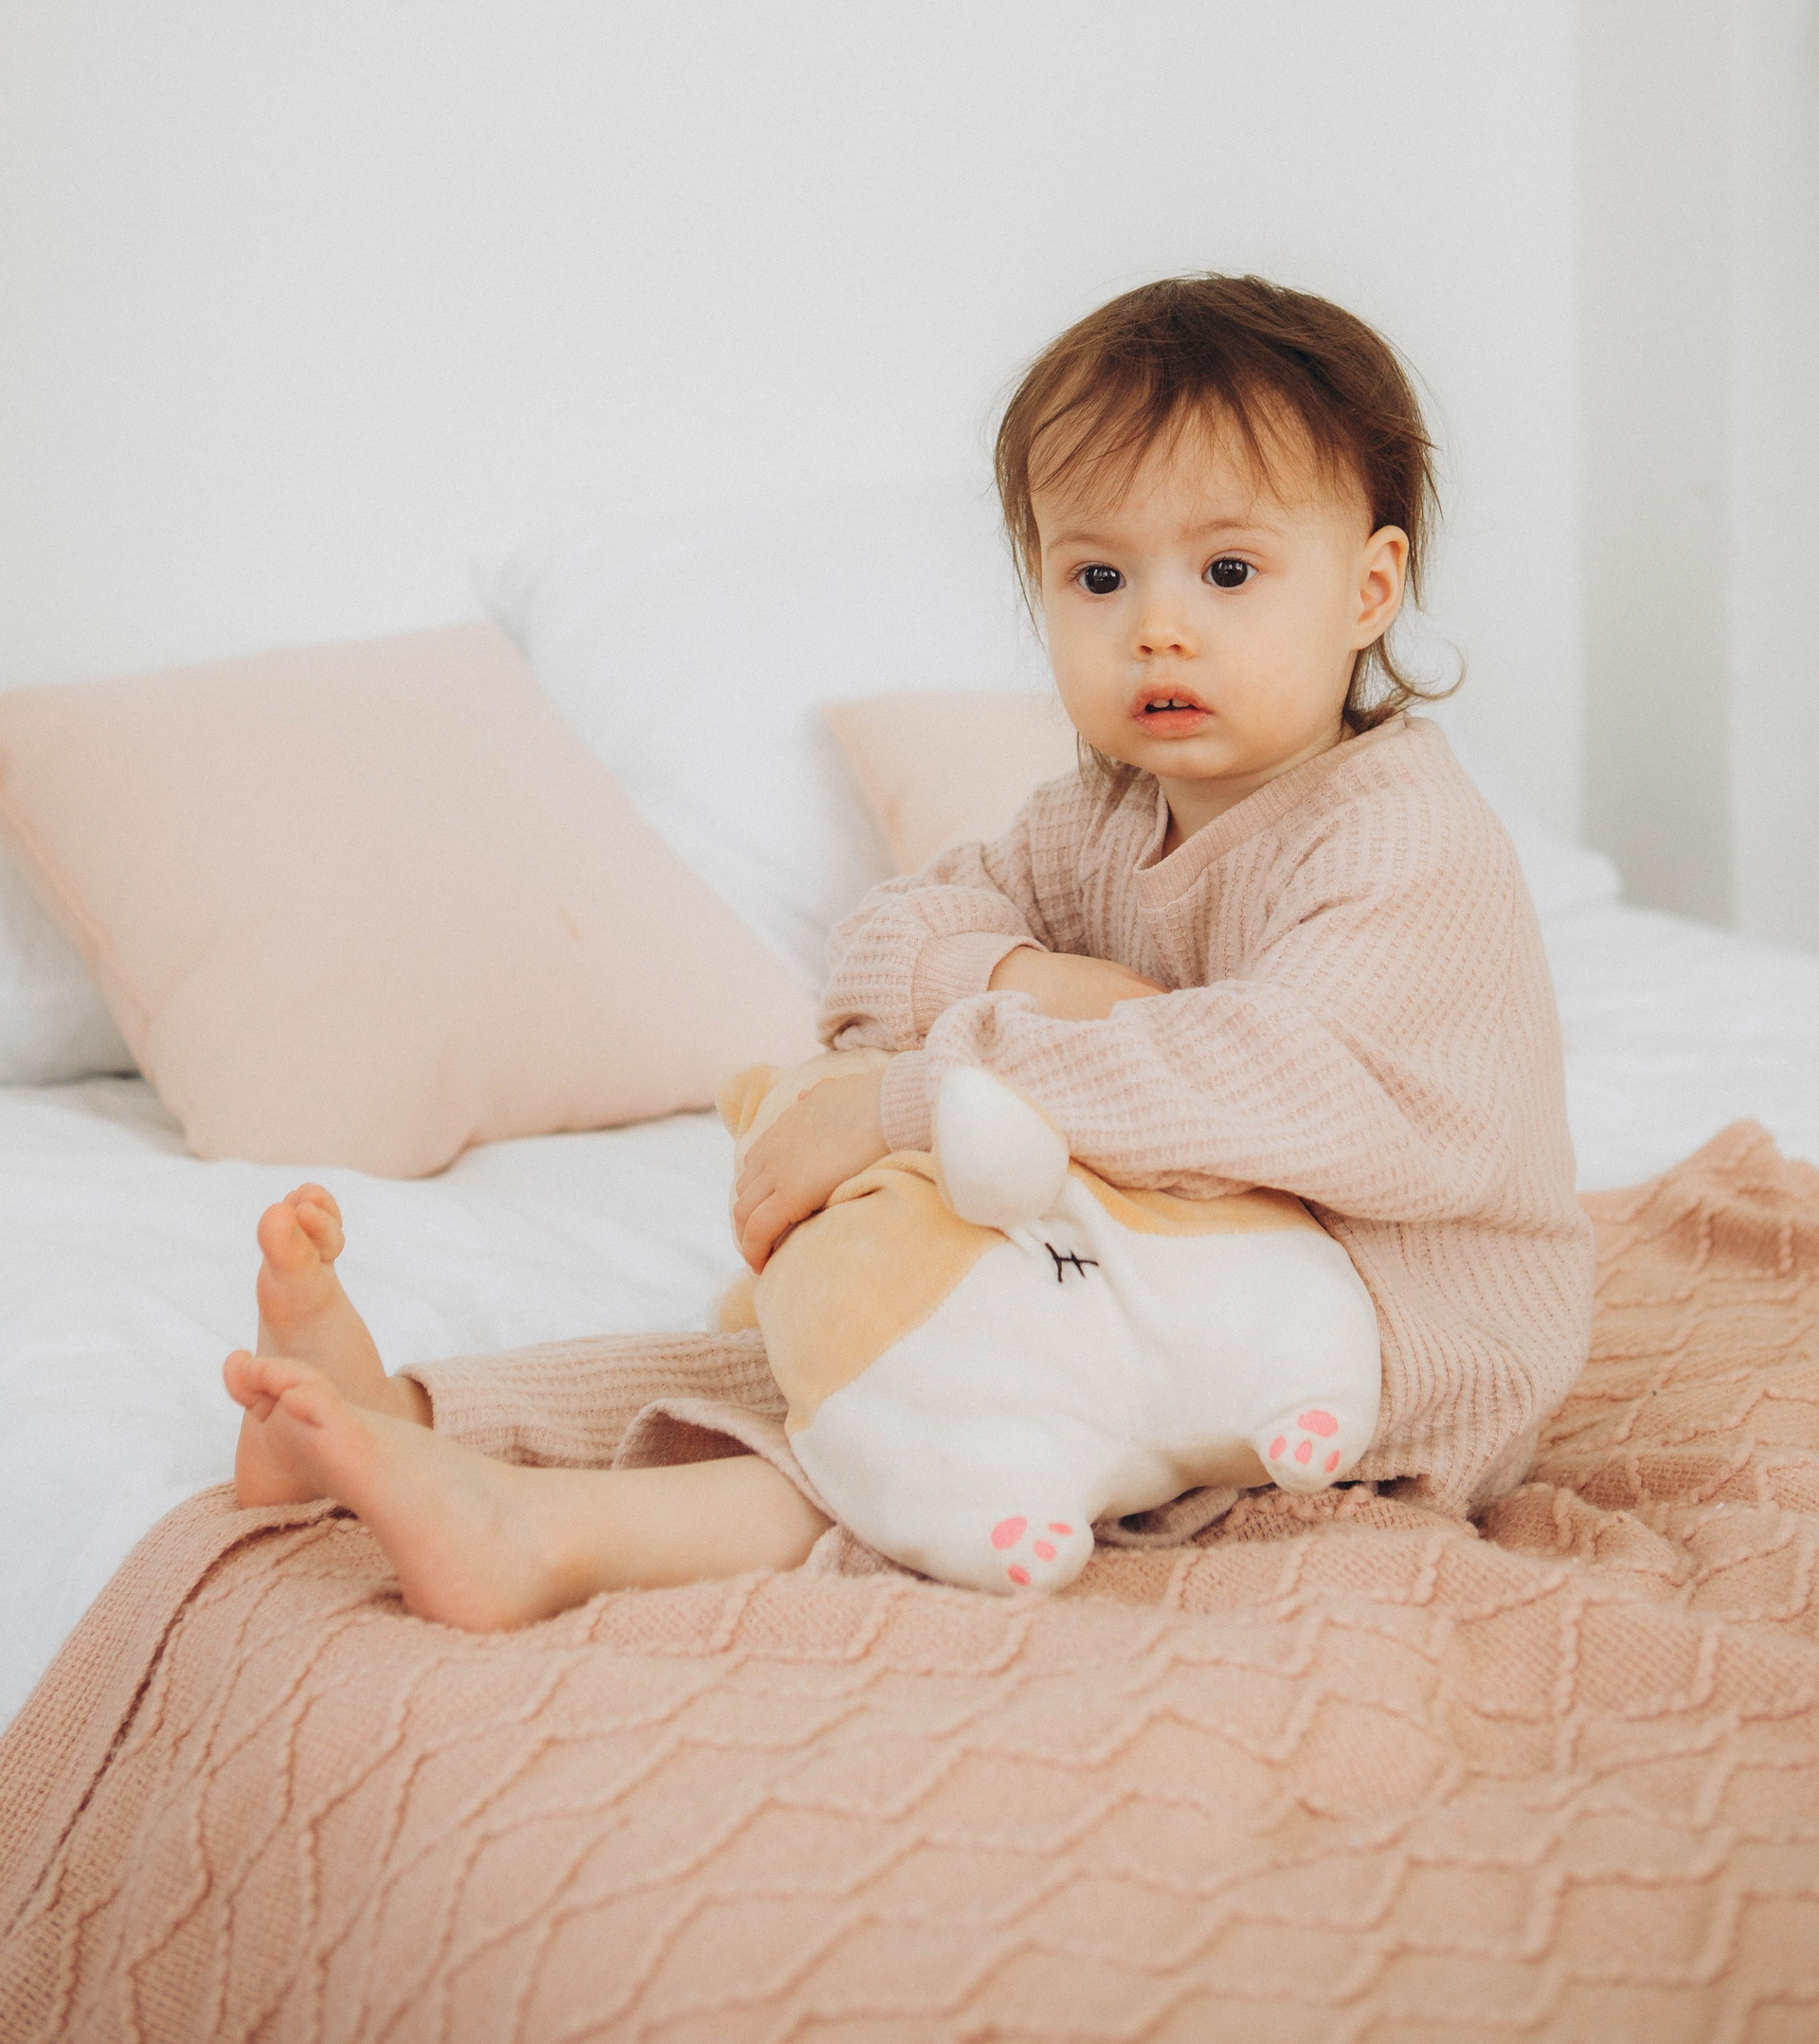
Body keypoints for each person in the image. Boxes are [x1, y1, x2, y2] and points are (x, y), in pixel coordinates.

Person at [225, 273, 1594, 1628]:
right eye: (1098, 576)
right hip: (1157, 1266)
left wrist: (910, 1103)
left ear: (1368, 589)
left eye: (1228, 572)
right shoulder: (1100, 818)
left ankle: (550, 1537)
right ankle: (395, 1417)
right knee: (840, 1346)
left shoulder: (1399, 840)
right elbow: (877, 950)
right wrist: (1021, 980)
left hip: (1382, 1342)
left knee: (948, 1412)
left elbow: (1255, 1082)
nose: (1157, 627)